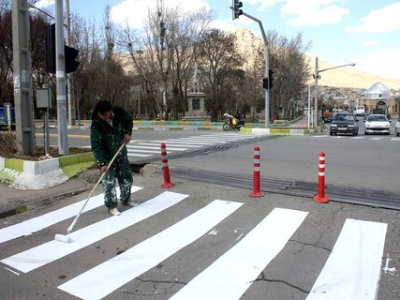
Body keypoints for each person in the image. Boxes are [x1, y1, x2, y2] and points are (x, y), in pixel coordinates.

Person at [90, 100, 135, 216]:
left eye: (105, 115)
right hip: (107, 156)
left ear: (110, 111)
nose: (103, 117)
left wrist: (128, 133)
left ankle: (126, 199)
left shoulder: (120, 113)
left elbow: (129, 120)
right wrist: (102, 163)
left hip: (121, 151)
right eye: (101, 115)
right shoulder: (96, 123)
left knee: (126, 178)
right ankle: (112, 206)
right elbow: (96, 146)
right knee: (109, 182)